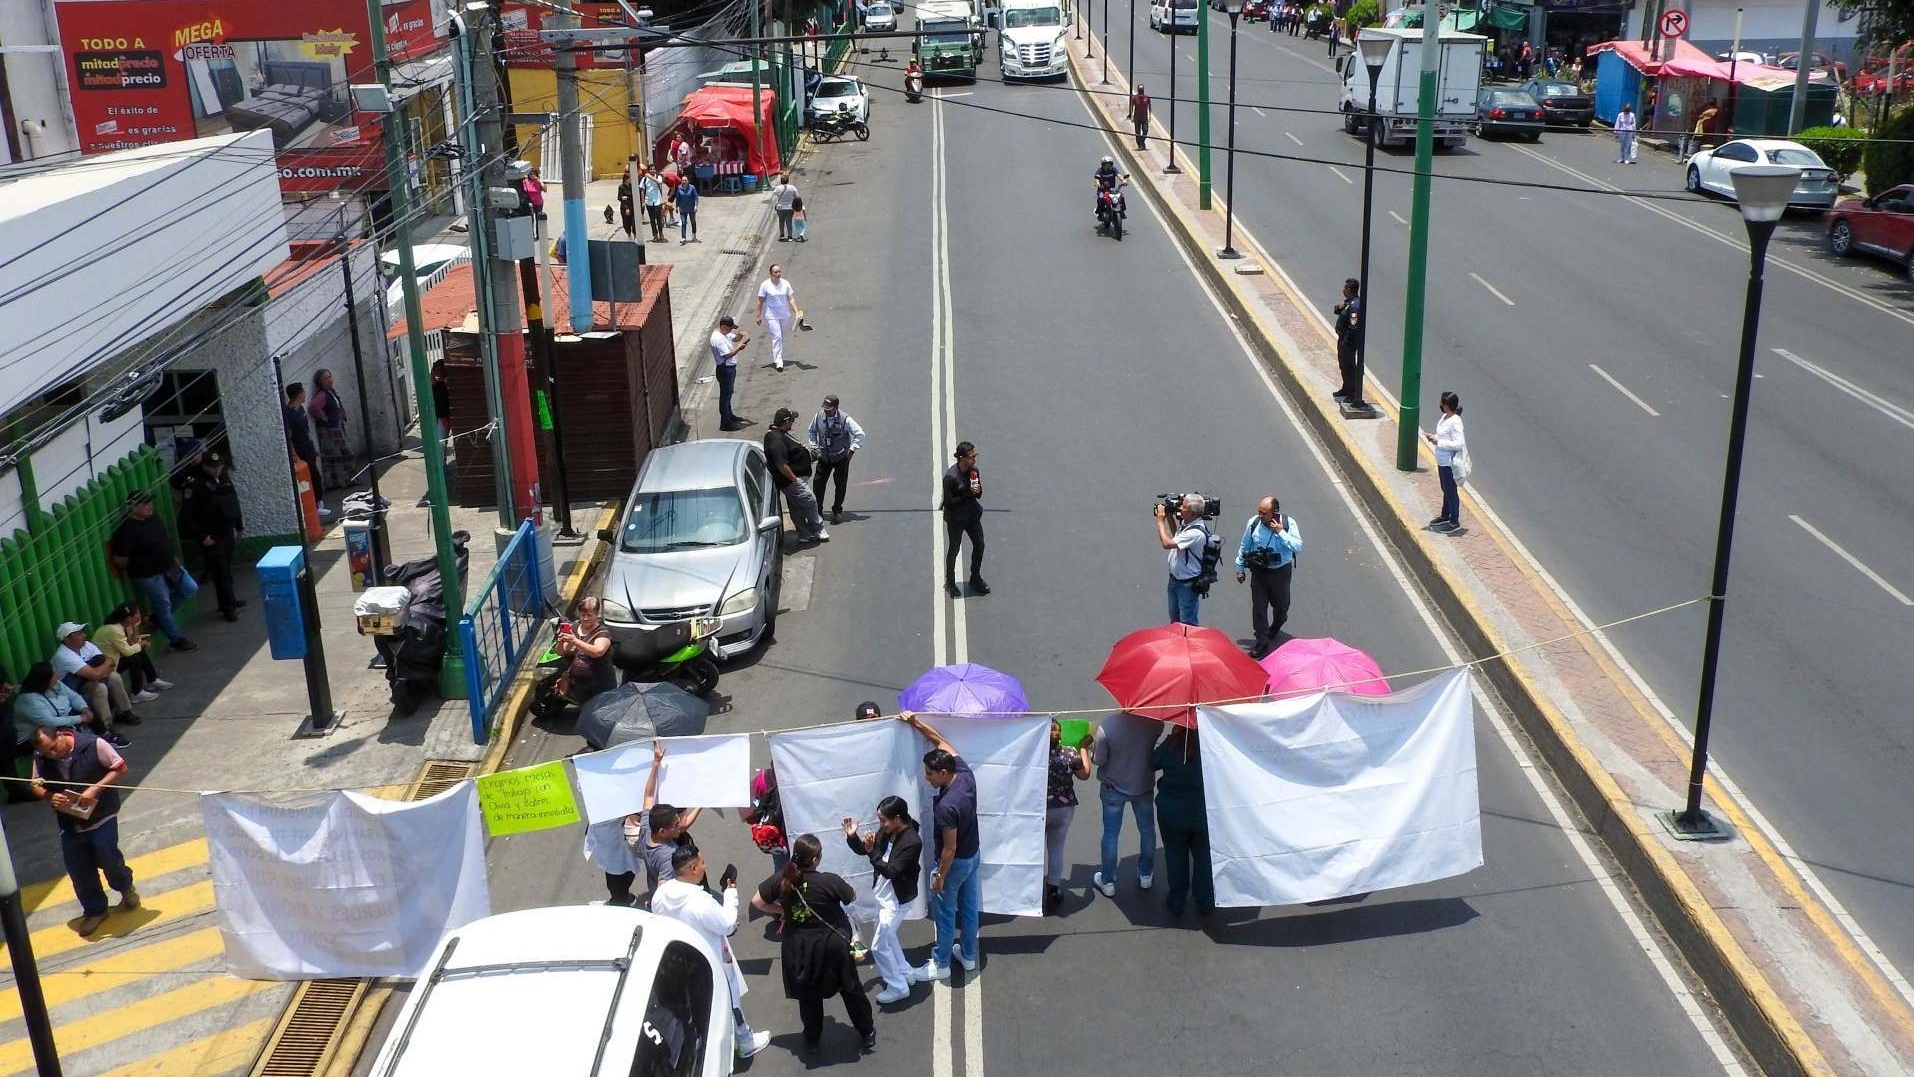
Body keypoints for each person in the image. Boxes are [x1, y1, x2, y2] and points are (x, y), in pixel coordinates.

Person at [749, 833, 877, 1055]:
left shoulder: (782, 879)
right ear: (815, 859)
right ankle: (866, 1032)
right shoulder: (829, 880)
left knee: (809, 998)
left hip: (799, 949)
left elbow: (757, 902)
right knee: (851, 990)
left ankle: (812, 1040)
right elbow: (851, 897)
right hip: (833, 947)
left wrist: (783, 911)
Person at [652, 845, 774, 1059]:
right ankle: (745, 1042)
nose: (704, 866)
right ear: (692, 868)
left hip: (678, 961)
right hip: (712, 961)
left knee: (699, 1009)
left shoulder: (660, 895)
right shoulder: (700, 902)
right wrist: (730, 893)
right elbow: (728, 924)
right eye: (702, 863)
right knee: (731, 1002)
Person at [31, 724, 136, 935]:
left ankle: (125, 887)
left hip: (101, 815)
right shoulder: (41, 757)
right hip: (70, 822)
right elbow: (35, 783)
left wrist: (95, 789)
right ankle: (95, 910)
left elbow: (120, 767)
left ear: (60, 735)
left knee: (108, 857)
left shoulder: (93, 744)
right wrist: (50, 796)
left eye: (54, 747)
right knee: (79, 869)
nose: (52, 754)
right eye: (46, 752)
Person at [901, 711, 981, 980]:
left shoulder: (947, 806)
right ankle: (969, 956)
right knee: (969, 909)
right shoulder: (965, 775)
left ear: (944, 772)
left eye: (930, 774)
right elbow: (943, 743)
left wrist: (940, 876)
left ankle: (942, 964)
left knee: (945, 914)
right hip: (973, 856)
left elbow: (949, 848)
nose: (927, 778)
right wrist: (916, 723)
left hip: (955, 863)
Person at [842, 796, 922, 1004]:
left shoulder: (912, 842)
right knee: (888, 937)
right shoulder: (888, 832)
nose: (881, 825)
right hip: (884, 897)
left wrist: (872, 854)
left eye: (883, 820)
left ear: (897, 818)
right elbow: (866, 850)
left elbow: (891, 871)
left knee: (879, 945)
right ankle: (905, 972)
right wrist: (854, 838)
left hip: (896, 902)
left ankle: (898, 986)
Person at [110, 490, 200, 649]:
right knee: (163, 604)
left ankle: (158, 619)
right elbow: (120, 559)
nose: (149, 506)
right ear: (133, 507)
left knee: (190, 587)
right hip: (148, 574)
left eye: (149, 502)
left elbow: (164, 540)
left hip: (169, 566)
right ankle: (176, 639)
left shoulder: (153, 518)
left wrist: (176, 562)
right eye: (145, 504)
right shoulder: (127, 530)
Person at [624, 740, 705, 899]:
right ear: (662, 831)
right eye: (675, 825)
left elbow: (648, 795)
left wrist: (655, 764)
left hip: (652, 885)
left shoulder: (647, 827)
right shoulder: (669, 856)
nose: (679, 826)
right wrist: (701, 805)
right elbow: (663, 893)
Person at [1091, 710, 1158, 897]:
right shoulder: (1155, 724)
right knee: (1147, 830)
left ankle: (1108, 881)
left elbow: (1099, 760)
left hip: (1113, 787)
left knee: (1111, 834)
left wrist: (1091, 748)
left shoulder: (1107, 725)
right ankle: (1146, 874)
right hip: (1142, 785)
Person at [1153, 725, 1213, 917]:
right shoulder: (1210, 746)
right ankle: (1205, 901)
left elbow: (1152, 762)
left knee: (1175, 857)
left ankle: (1177, 900)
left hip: (1172, 813)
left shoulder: (1171, 745)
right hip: (1204, 813)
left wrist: (1169, 739)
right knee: (1204, 858)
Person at [178, 451, 245, 622]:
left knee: (226, 569)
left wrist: (238, 525)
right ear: (205, 466)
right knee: (220, 571)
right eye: (213, 468)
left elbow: (233, 501)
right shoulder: (195, 484)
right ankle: (228, 608)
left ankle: (228, 601)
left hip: (227, 531)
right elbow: (188, 516)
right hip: (211, 535)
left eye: (219, 467)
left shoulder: (223, 477)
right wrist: (202, 537)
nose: (217, 470)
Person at [1234, 496, 1303, 658]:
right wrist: (1240, 567)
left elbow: (1297, 547)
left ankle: (1278, 623)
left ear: (1275, 512)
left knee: (1281, 606)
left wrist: (1281, 533)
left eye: (1264, 513)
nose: (1260, 515)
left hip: (1280, 572)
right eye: (1259, 512)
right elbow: (1245, 545)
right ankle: (1262, 641)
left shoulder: (1288, 524)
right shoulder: (1254, 523)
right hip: (1259, 572)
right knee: (1259, 607)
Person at [52, 622, 135, 743]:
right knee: (100, 688)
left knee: (114, 676)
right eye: (79, 633)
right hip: (72, 692)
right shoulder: (63, 655)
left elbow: (110, 665)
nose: (84, 635)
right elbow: (99, 669)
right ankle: (105, 729)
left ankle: (124, 711)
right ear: (67, 639)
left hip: (87, 681)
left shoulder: (87, 646)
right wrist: (102, 668)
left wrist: (99, 672)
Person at [1045, 719, 1092, 914]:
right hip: (1064, 808)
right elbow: (1085, 774)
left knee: (1035, 850)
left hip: (1040, 809)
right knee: (1056, 849)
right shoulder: (1069, 753)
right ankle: (1053, 889)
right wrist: (1083, 749)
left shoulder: (1035, 754)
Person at [766, 408, 829, 544]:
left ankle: (804, 534)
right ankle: (818, 529)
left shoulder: (780, 433)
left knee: (796, 506)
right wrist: (795, 480)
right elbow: (781, 464)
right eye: (792, 420)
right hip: (791, 480)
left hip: (794, 478)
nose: (793, 423)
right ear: (786, 421)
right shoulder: (776, 440)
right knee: (810, 501)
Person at [95, 603, 172, 702]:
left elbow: (132, 642)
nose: (139, 615)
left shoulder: (123, 625)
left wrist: (135, 627)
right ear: (128, 617)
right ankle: (136, 693)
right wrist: (141, 644)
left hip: (115, 659)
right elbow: (127, 651)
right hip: (107, 666)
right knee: (133, 658)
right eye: (137, 613)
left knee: (138, 651)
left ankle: (152, 680)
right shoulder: (114, 630)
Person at [1155, 493, 1212, 626]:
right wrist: (1169, 517)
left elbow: (1167, 543)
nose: (1179, 508)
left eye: (1183, 506)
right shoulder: (1186, 523)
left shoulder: (1195, 533)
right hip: (1175, 580)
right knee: (1175, 622)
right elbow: (1176, 537)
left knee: (1187, 624)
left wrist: (1160, 521)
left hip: (1187, 585)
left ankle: (1189, 646)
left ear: (1192, 513)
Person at [548, 596, 617, 707]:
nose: (585, 618)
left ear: (596, 615)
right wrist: (561, 641)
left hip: (599, 687)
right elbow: (561, 652)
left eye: (589, 615)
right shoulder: (574, 627)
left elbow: (597, 651)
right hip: (579, 686)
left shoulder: (602, 632)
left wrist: (575, 641)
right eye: (582, 615)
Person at [808, 395, 866, 525]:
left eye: (829, 409)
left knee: (840, 485)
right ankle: (818, 511)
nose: (826, 411)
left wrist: (851, 451)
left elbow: (860, 434)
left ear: (836, 408)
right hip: (824, 457)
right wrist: (813, 446)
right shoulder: (818, 416)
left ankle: (837, 510)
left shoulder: (845, 419)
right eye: (825, 408)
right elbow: (811, 431)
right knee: (818, 484)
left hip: (841, 457)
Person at [14, 663, 97, 753]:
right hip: (35, 737)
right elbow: (50, 722)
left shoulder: (55, 684)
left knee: (90, 707)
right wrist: (80, 718)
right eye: (54, 675)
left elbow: (73, 696)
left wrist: (85, 709)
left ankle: (105, 737)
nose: (57, 676)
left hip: (62, 722)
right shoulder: (29, 699)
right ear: (44, 680)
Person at [940, 441, 987, 597]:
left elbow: (978, 494)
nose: (975, 458)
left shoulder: (974, 472)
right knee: (954, 549)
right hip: (956, 518)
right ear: (962, 458)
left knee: (980, 544)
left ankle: (975, 577)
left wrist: (976, 490)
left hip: (972, 515)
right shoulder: (950, 477)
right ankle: (950, 582)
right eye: (972, 456)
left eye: (975, 455)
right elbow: (949, 503)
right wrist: (967, 494)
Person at [282, 383, 330, 518]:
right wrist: (293, 453)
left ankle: (319, 502)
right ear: (298, 394)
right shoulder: (289, 414)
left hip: (308, 447)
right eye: (303, 392)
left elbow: (306, 430)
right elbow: (289, 436)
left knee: (315, 475)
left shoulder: (300, 409)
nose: (305, 394)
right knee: (311, 477)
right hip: (300, 450)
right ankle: (314, 505)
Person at [1422, 390, 1467, 532]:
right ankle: (1445, 515)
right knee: (1445, 489)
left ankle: (1454, 521)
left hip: (1449, 463)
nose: (1439, 404)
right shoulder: (1444, 417)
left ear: (1446, 405)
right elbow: (1443, 435)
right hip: (1442, 461)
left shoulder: (1455, 422)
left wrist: (1438, 443)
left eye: (1441, 402)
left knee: (1450, 491)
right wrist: (1434, 437)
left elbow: (1459, 443)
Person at [308, 368, 354, 491]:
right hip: (329, 430)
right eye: (326, 378)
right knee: (335, 456)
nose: (329, 380)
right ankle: (338, 482)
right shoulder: (322, 394)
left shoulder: (330, 391)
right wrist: (324, 418)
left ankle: (345, 479)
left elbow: (338, 405)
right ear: (320, 381)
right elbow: (314, 407)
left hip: (336, 427)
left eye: (330, 377)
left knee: (343, 454)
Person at [754, 264, 798, 372]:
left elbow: (791, 298)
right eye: (775, 272)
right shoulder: (765, 285)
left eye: (779, 272)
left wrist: (796, 311)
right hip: (771, 315)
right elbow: (760, 301)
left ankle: (779, 357)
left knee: (781, 336)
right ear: (771, 273)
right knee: (777, 336)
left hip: (784, 315)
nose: (778, 274)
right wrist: (758, 315)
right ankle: (779, 361)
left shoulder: (786, 283)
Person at [711, 316, 749, 430]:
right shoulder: (717, 338)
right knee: (725, 396)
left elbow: (735, 338)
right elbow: (727, 355)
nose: (731, 331)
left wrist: (741, 335)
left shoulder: (725, 333)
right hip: (725, 369)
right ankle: (725, 423)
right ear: (723, 327)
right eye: (730, 328)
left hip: (729, 368)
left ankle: (730, 416)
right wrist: (739, 348)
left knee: (728, 394)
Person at [1331, 277, 1366, 405]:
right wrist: (1340, 307)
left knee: (1349, 368)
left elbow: (1353, 326)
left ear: (1350, 289)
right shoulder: (1349, 303)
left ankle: (1353, 394)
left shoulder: (1355, 306)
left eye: (1345, 287)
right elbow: (1339, 311)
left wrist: (1346, 342)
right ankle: (1346, 389)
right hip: (1343, 339)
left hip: (1348, 342)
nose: (1343, 289)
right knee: (1343, 366)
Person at [638, 165, 668, 241]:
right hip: (649, 202)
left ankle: (661, 234)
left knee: (658, 219)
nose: (652, 170)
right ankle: (655, 235)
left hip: (658, 201)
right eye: (651, 169)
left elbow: (659, 182)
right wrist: (642, 201)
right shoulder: (644, 179)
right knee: (652, 220)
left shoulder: (658, 177)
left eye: (654, 169)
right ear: (648, 170)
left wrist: (650, 176)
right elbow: (642, 191)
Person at [772, 174, 801, 241]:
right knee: (789, 221)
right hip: (790, 208)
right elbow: (797, 197)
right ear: (788, 180)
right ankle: (790, 237)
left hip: (780, 208)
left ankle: (782, 235)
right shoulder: (792, 187)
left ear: (781, 181)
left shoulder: (778, 188)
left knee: (781, 221)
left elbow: (774, 194)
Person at [675, 171, 700, 243]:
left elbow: (696, 197)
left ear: (688, 181)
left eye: (685, 180)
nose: (684, 181)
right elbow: (678, 198)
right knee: (683, 222)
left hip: (691, 208)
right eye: (682, 180)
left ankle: (694, 236)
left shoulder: (692, 188)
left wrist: (696, 206)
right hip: (682, 208)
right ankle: (683, 238)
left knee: (693, 222)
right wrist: (676, 207)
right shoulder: (679, 188)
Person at [1129, 85, 1151, 150]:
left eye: (1142, 90)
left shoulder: (1147, 97)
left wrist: (1150, 116)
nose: (1141, 92)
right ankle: (1140, 145)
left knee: (1145, 130)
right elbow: (1131, 107)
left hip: (1144, 118)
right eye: (1140, 90)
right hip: (1137, 117)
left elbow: (1149, 107)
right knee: (1137, 132)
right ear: (1138, 90)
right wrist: (1132, 117)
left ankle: (1142, 142)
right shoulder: (1135, 98)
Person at [618, 172, 638, 239]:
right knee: (626, 223)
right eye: (630, 178)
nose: (631, 180)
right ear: (626, 179)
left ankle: (635, 236)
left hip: (633, 207)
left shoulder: (633, 186)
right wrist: (626, 208)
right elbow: (619, 197)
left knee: (634, 223)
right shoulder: (621, 187)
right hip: (625, 207)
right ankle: (629, 235)